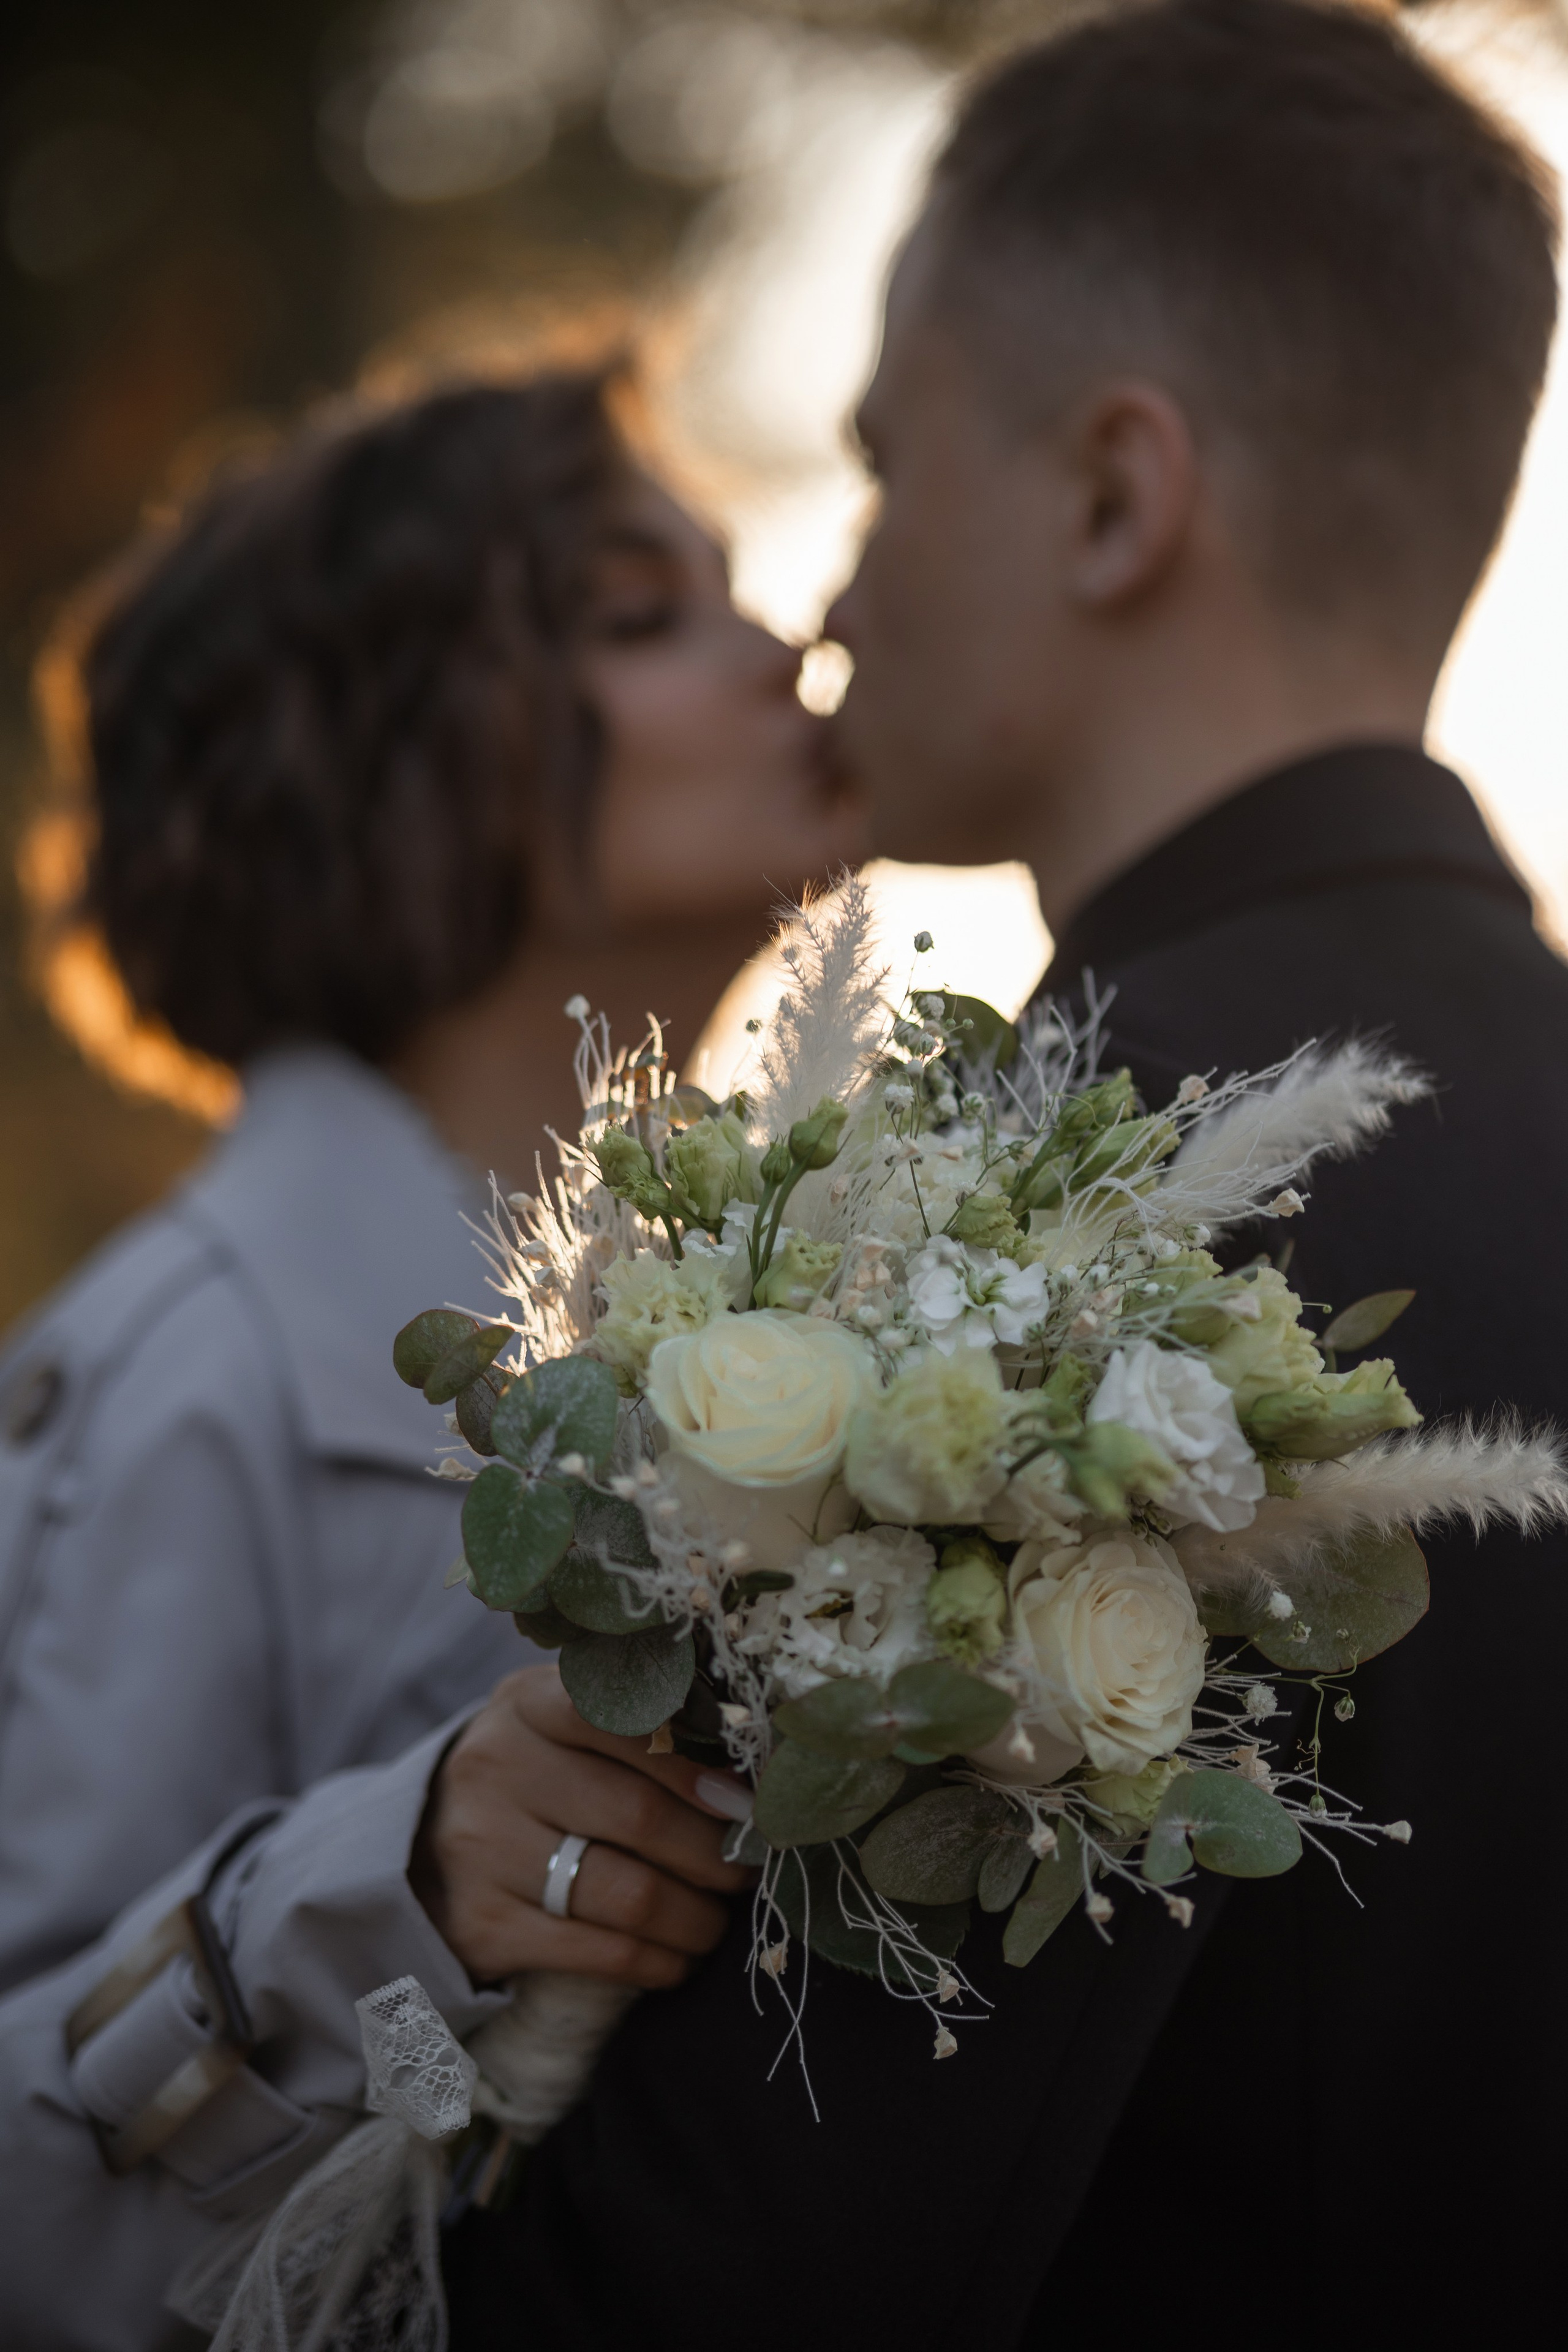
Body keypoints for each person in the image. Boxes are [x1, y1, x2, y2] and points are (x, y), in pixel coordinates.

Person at [432, 1, 1568, 2340]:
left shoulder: (1014, 1244)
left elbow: (733, 2262)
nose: (833, 596)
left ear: (1110, 497)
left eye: (883, 466)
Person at [0, 371, 860, 2345]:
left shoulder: (749, 1327)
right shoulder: (191, 1372)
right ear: (402, 756)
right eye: (645, 615)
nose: (788, 650)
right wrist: (387, 1881)